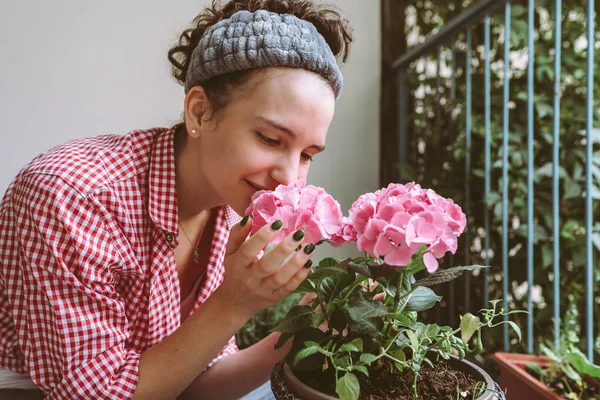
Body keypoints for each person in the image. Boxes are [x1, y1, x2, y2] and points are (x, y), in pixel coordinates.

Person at [0, 0, 352, 399]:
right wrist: (234, 303)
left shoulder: (227, 205)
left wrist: (299, 331)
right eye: (270, 139)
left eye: (307, 155)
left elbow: (189, 382)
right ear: (199, 112)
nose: (289, 177)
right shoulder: (72, 196)